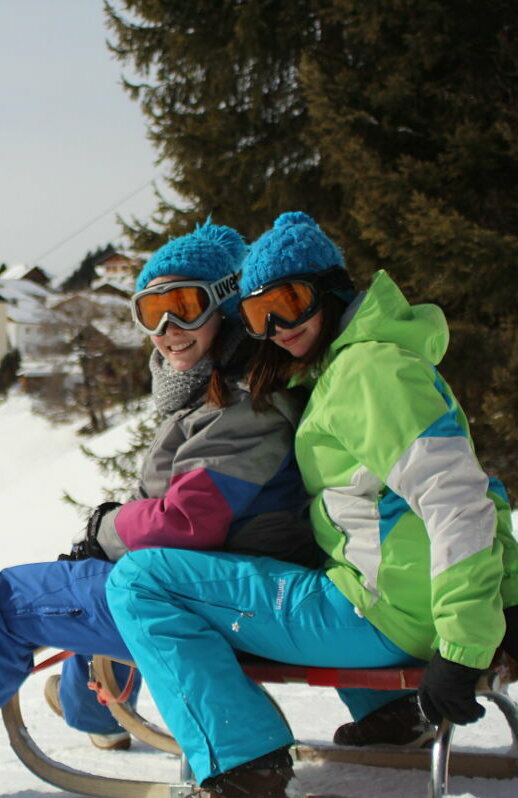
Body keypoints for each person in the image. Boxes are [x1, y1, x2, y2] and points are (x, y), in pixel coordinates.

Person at [104, 211, 518, 798]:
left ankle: (242, 762)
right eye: (258, 315)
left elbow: (458, 502)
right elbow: (480, 487)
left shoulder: (368, 372)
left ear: (331, 288)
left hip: (386, 615)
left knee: (141, 581)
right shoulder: (354, 365)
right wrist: (510, 598)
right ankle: (387, 714)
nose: (277, 326)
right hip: (403, 606)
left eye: (290, 302)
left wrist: (463, 646)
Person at [1, 220, 318, 758]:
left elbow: (188, 523)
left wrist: (106, 527)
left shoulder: (245, 403)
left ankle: (93, 712)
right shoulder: (212, 393)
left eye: (186, 306)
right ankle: (95, 712)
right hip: (217, 580)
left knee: (10, 598)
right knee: (91, 574)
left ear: (226, 304)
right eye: (151, 312)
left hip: (227, 591)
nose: (169, 327)